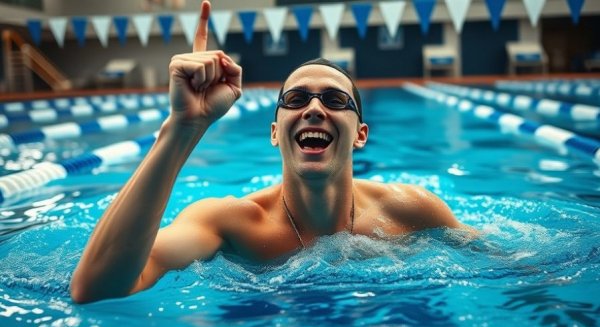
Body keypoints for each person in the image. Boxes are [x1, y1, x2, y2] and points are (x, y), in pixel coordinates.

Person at [70, 0, 474, 304]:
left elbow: (519, 266)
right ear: (276, 132)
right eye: (296, 98)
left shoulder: (412, 210)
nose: (314, 109)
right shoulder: (229, 224)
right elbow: (98, 289)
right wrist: (182, 128)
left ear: (360, 135)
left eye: (335, 100)